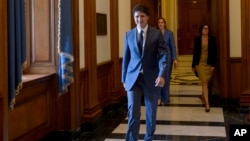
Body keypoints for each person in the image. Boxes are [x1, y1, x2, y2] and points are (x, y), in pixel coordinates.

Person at [121, 4, 168, 141]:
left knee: (151, 112)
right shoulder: (128, 35)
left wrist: (162, 74)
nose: (139, 19)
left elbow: (163, 55)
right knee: (133, 112)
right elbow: (126, 58)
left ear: (147, 17)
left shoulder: (156, 34)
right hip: (133, 78)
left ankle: (149, 138)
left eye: (142, 16)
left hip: (152, 78)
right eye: (136, 16)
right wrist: (124, 79)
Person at [192, 24, 217, 112]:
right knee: (205, 82)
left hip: (209, 63)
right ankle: (207, 104)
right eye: (204, 28)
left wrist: (213, 65)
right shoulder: (198, 39)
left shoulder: (212, 39)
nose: (206, 30)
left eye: (207, 28)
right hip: (200, 64)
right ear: (201, 30)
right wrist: (193, 65)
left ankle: (203, 98)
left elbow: (214, 53)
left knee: (205, 82)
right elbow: (195, 52)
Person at [157, 17, 178, 106]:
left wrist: (175, 58)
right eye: (159, 22)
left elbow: (173, 46)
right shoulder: (155, 33)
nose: (160, 24)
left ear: (165, 24)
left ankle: (165, 99)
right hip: (157, 59)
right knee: (158, 78)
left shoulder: (169, 33)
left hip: (167, 58)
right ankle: (158, 98)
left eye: (162, 22)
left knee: (166, 79)